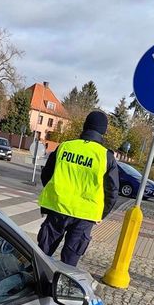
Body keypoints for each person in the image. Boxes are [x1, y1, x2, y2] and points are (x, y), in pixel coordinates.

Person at [37, 110, 119, 267]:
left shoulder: (64, 147)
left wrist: (56, 193)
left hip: (57, 209)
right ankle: (59, 288)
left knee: (41, 256)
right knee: (69, 263)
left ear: (85, 126)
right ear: (103, 131)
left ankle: (34, 286)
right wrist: (100, 214)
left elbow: (46, 174)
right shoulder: (106, 157)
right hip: (85, 216)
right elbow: (112, 192)